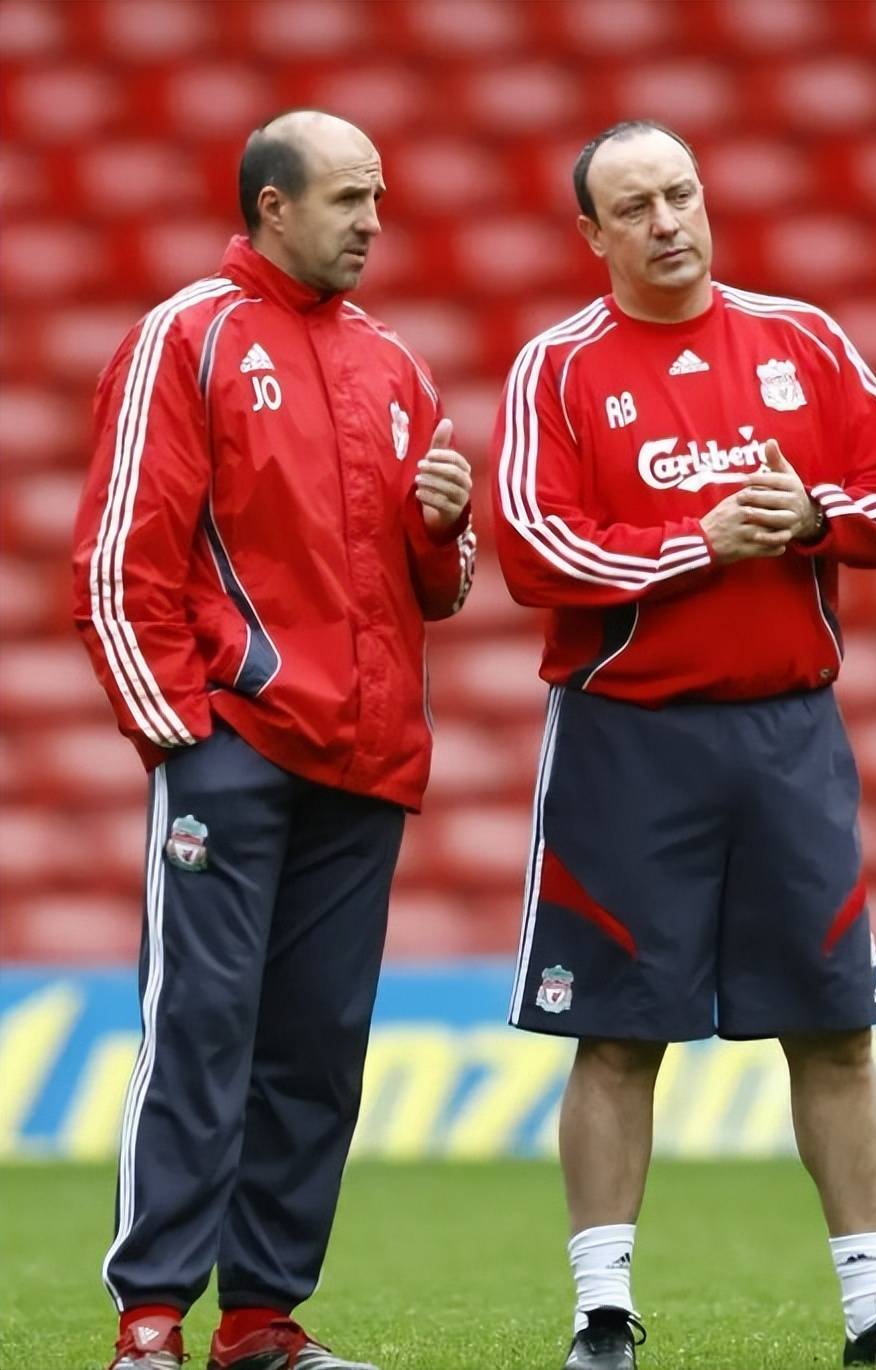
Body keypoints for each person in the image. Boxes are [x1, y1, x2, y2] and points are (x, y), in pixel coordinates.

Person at [491, 120, 876, 1370]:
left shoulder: (802, 339)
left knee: (836, 1026)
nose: (667, 221)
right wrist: (697, 540)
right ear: (591, 234)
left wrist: (812, 512)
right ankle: (602, 1315)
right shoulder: (558, 367)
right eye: (634, 206)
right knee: (617, 1034)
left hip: (786, 732)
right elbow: (534, 546)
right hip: (625, 737)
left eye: (681, 193)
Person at [72, 110, 475, 1370]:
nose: (371, 222)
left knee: (316, 1049)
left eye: (379, 197)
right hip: (235, 742)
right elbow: (120, 553)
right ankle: (150, 1315)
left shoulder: (395, 364)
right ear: (271, 205)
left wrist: (440, 531)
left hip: (365, 759)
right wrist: (181, 735)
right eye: (348, 197)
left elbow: (436, 585)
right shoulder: (185, 336)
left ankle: (260, 1318)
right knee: (201, 1028)